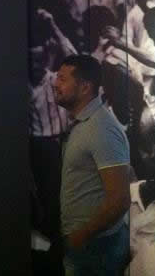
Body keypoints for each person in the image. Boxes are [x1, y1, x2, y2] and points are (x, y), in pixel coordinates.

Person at [55, 55, 131, 275]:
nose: (55, 84)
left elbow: (119, 200)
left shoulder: (101, 128)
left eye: (62, 79)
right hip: (87, 246)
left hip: (97, 249)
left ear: (85, 87)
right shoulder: (84, 124)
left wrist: (80, 237)